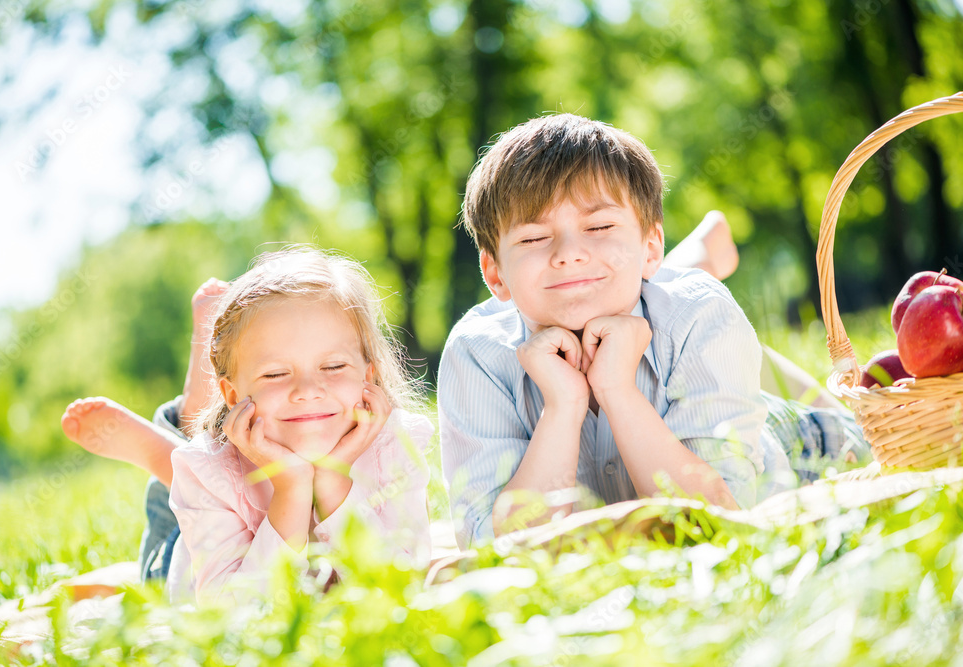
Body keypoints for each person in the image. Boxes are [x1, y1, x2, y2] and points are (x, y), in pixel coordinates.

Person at [438, 114, 869, 549]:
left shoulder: (700, 313)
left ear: (650, 247)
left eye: (599, 227)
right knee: (656, 297)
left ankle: (698, 260)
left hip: (796, 444)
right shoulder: (476, 354)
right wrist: (563, 407)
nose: (568, 254)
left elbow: (719, 522)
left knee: (869, 437)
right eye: (533, 238)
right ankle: (699, 252)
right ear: (494, 273)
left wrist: (618, 391)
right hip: (662, 318)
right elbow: (491, 550)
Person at [61, 246, 433, 604]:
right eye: (275, 373)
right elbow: (232, 618)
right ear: (233, 395)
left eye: (333, 367)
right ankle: (178, 437)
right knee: (167, 544)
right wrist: (289, 489)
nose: (307, 391)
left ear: (369, 374)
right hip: (190, 550)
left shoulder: (395, 446)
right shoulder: (207, 473)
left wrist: (334, 480)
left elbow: (397, 587)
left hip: (211, 481)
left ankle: (176, 441)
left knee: (191, 465)